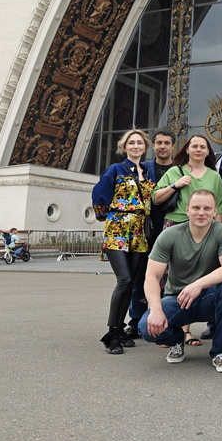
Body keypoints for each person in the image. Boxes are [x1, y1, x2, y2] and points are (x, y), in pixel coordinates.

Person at [139, 189, 222, 371]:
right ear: (187, 210)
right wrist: (155, 310)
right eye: (196, 208)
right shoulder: (170, 235)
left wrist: (198, 284)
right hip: (177, 298)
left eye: (207, 208)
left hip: (210, 297)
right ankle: (176, 339)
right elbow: (152, 276)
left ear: (215, 211)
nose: (201, 213)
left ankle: (220, 352)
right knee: (146, 328)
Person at [153, 133, 222, 344]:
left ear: (208, 151)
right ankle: (173, 328)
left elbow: (219, 208)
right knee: (172, 278)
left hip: (206, 230)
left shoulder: (214, 176)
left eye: (203, 147)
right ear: (187, 149)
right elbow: (155, 198)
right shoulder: (175, 171)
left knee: (199, 277)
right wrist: (175, 185)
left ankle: (186, 329)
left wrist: (220, 232)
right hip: (176, 227)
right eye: (194, 146)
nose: (198, 150)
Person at [91, 129, 155, 354]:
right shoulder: (115, 169)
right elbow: (99, 195)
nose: (135, 146)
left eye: (139, 143)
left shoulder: (147, 172)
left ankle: (119, 329)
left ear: (145, 147)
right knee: (124, 279)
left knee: (132, 281)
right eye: (131, 143)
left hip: (139, 232)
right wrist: (109, 216)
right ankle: (112, 333)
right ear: (124, 147)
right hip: (118, 229)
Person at [125, 128, 176, 339]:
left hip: (172, 227)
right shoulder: (142, 168)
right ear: (153, 146)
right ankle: (136, 320)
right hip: (145, 229)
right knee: (140, 275)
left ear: (173, 146)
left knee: (170, 276)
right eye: (159, 143)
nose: (162, 146)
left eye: (167, 143)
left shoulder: (180, 170)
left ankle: (167, 319)